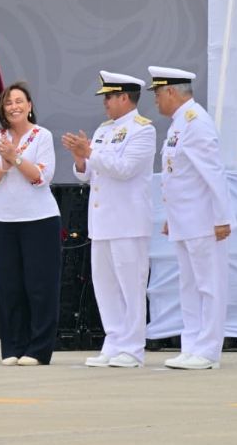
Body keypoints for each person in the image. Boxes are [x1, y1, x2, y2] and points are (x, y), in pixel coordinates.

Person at [62, 71, 155, 368]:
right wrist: (81, 158)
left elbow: (125, 168)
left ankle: (133, 347)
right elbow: (88, 173)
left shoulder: (143, 130)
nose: (105, 103)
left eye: (109, 97)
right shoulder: (103, 129)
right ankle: (113, 342)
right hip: (102, 221)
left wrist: (90, 152)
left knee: (131, 286)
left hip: (128, 221)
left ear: (125, 97)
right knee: (105, 286)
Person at [150, 65, 235, 370]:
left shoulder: (196, 122)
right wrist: (171, 216)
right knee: (188, 286)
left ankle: (209, 350)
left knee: (209, 286)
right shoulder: (178, 124)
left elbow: (213, 173)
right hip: (185, 220)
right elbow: (179, 176)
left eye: (158, 93)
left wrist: (223, 217)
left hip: (205, 220)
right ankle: (191, 345)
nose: (156, 100)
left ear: (171, 91)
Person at [0, 81, 62, 367]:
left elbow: (40, 178)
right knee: (8, 286)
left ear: (29, 106)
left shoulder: (42, 136)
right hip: (2, 219)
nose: (13, 106)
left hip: (39, 219)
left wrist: (14, 157)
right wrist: (3, 163)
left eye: (19, 101)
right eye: (8, 102)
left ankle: (38, 350)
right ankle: (12, 347)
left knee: (39, 286)